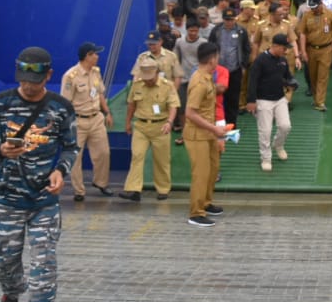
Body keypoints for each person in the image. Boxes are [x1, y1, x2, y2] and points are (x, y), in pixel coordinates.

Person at [0, 47, 78, 302]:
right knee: (2, 259)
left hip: (43, 201)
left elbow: (71, 147)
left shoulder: (61, 109)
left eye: (35, 81)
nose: (28, 86)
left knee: (43, 267)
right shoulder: (1, 104)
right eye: (23, 80)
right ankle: (11, 290)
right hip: (7, 198)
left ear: (48, 76)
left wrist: (61, 171)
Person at [118, 53, 178, 203]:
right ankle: (134, 190)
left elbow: (173, 105)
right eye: (145, 78)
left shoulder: (167, 86)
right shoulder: (137, 85)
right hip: (141, 126)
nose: (148, 81)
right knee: (137, 156)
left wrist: (169, 122)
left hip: (161, 127)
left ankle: (163, 189)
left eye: (150, 78)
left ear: (157, 72)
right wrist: (127, 122)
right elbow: (131, 105)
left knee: (162, 160)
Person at [59, 42, 113, 202]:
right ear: (87, 56)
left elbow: (100, 93)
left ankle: (101, 182)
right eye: (95, 54)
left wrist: (107, 112)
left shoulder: (96, 72)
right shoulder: (71, 76)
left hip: (96, 118)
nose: (97, 56)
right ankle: (79, 190)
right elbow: (66, 102)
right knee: (76, 157)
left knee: (103, 152)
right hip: (78, 120)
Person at [183, 42, 229, 227]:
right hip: (197, 135)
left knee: (212, 169)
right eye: (217, 57)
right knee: (201, 173)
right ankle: (196, 213)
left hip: (208, 132)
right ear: (212, 60)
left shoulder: (208, 77)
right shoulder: (199, 82)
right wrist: (214, 129)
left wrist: (216, 128)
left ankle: (206, 202)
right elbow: (190, 112)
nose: (218, 60)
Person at [246, 32, 296, 172]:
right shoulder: (260, 60)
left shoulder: (283, 60)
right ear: (275, 46)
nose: (285, 51)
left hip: (279, 98)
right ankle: (266, 158)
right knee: (265, 131)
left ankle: (278, 145)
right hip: (263, 100)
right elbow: (252, 81)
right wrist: (251, 101)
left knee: (285, 126)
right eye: (284, 48)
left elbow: (287, 77)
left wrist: (291, 83)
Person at [297, 0, 332, 111]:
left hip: (326, 49)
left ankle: (320, 102)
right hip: (311, 49)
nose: (313, 9)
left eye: (315, 7)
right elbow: (302, 33)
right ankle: (316, 99)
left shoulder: (330, 14)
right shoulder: (307, 15)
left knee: (322, 76)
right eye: (311, 7)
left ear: (320, 3)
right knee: (313, 76)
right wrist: (303, 51)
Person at [209, 7, 251, 124]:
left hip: (235, 69)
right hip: (219, 70)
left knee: (233, 98)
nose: (229, 22)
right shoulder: (216, 30)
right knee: (218, 96)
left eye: (231, 19)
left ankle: (232, 124)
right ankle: (218, 122)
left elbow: (247, 49)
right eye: (227, 19)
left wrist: (243, 65)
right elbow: (210, 47)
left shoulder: (241, 31)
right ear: (223, 19)